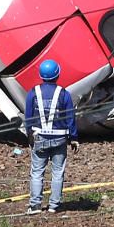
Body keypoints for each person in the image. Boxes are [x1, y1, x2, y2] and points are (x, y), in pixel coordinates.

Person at [25, 59, 78, 214]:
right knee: (57, 173)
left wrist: (29, 134)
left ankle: (35, 205)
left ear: (41, 75)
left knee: (36, 172)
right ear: (58, 74)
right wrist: (74, 137)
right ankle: (54, 205)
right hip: (60, 139)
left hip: (39, 137)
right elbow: (70, 117)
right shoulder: (63, 93)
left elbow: (28, 115)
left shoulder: (33, 92)